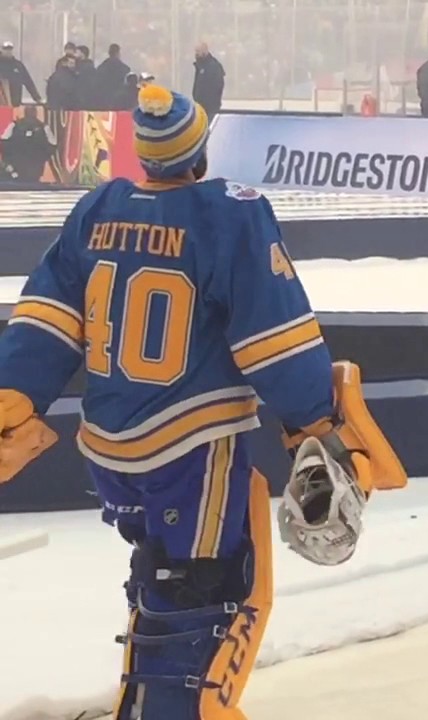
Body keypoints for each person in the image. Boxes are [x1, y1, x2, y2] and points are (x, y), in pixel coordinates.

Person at [0, 84, 405, 719]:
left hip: (108, 450)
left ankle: (143, 700)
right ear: (199, 151)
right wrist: (312, 424)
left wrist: (14, 394)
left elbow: (47, 315)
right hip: (191, 446)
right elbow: (274, 332)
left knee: (158, 575)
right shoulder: (228, 213)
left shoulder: (97, 207)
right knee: (208, 590)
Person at [0, 41, 40, 106]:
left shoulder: (18, 65)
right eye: (5, 49)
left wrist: (36, 97)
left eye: (10, 49)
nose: (8, 51)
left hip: (15, 103)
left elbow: (28, 82)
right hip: (2, 104)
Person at [192, 42, 225, 118]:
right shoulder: (199, 66)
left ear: (205, 51)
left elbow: (219, 85)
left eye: (198, 51)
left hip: (210, 108)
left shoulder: (214, 66)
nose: (196, 54)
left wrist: (212, 102)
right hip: (200, 107)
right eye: (196, 51)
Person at [95, 43, 132, 110]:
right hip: (119, 103)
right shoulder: (125, 69)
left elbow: (97, 85)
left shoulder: (101, 68)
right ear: (118, 53)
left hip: (103, 102)